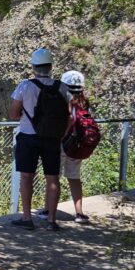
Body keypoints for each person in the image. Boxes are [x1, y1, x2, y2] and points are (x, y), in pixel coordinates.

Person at [9, 48, 72, 230]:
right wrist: (61, 133)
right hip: (52, 138)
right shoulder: (62, 87)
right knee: (53, 179)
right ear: (51, 67)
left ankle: (27, 218)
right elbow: (70, 116)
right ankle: (52, 221)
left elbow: (13, 113)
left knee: (26, 177)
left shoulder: (25, 86)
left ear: (34, 67)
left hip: (28, 138)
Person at [37, 70, 95, 223]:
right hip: (77, 146)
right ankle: (80, 213)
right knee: (74, 178)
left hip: (62, 144)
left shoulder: (63, 99)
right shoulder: (85, 103)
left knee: (53, 178)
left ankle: (48, 210)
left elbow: (65, 121)